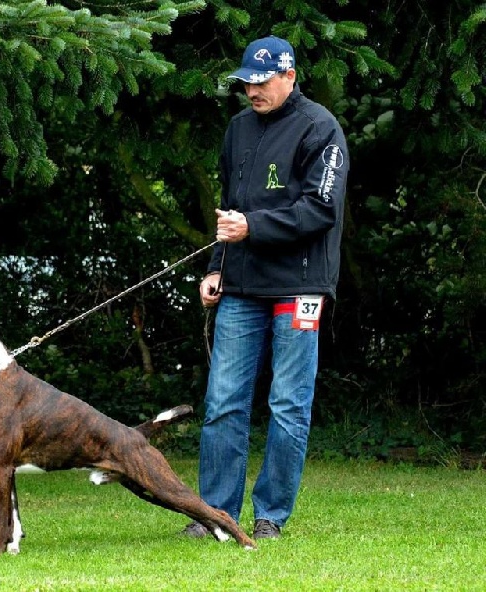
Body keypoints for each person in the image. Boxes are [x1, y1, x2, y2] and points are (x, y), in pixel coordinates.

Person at [183, 36, 349, 540]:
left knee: (288, 404)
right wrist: (216, 267)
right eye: (246, 83)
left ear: (289, 75)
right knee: (223, 400)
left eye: (262, 82)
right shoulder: (237, 129)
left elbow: (322, 208)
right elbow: (229, 210)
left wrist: (253, 227)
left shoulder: (321, 127)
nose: (252, 91)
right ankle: (216, 515)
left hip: (301, 286)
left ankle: (271, 515)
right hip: (241, 285)